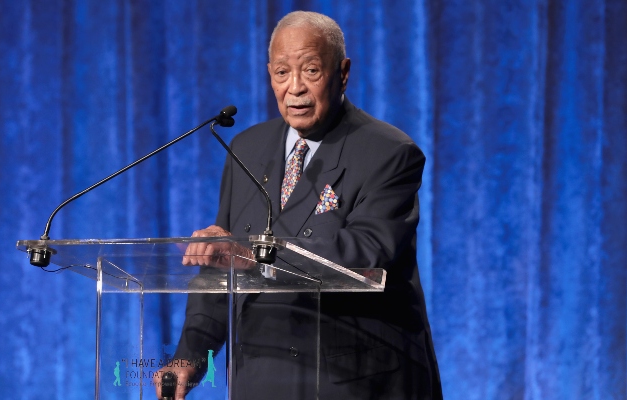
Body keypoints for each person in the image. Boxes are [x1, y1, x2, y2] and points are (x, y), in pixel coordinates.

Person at [155, 11, 442, 399]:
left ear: (342, 73)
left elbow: (368, 251)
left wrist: (255, 257)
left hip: (354, 379)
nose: (295, 89)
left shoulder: (389, 152)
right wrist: (191, 353)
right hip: (263, 374)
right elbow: (221, 269)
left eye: (310, 70)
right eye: (281, 73)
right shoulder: (246, 148)